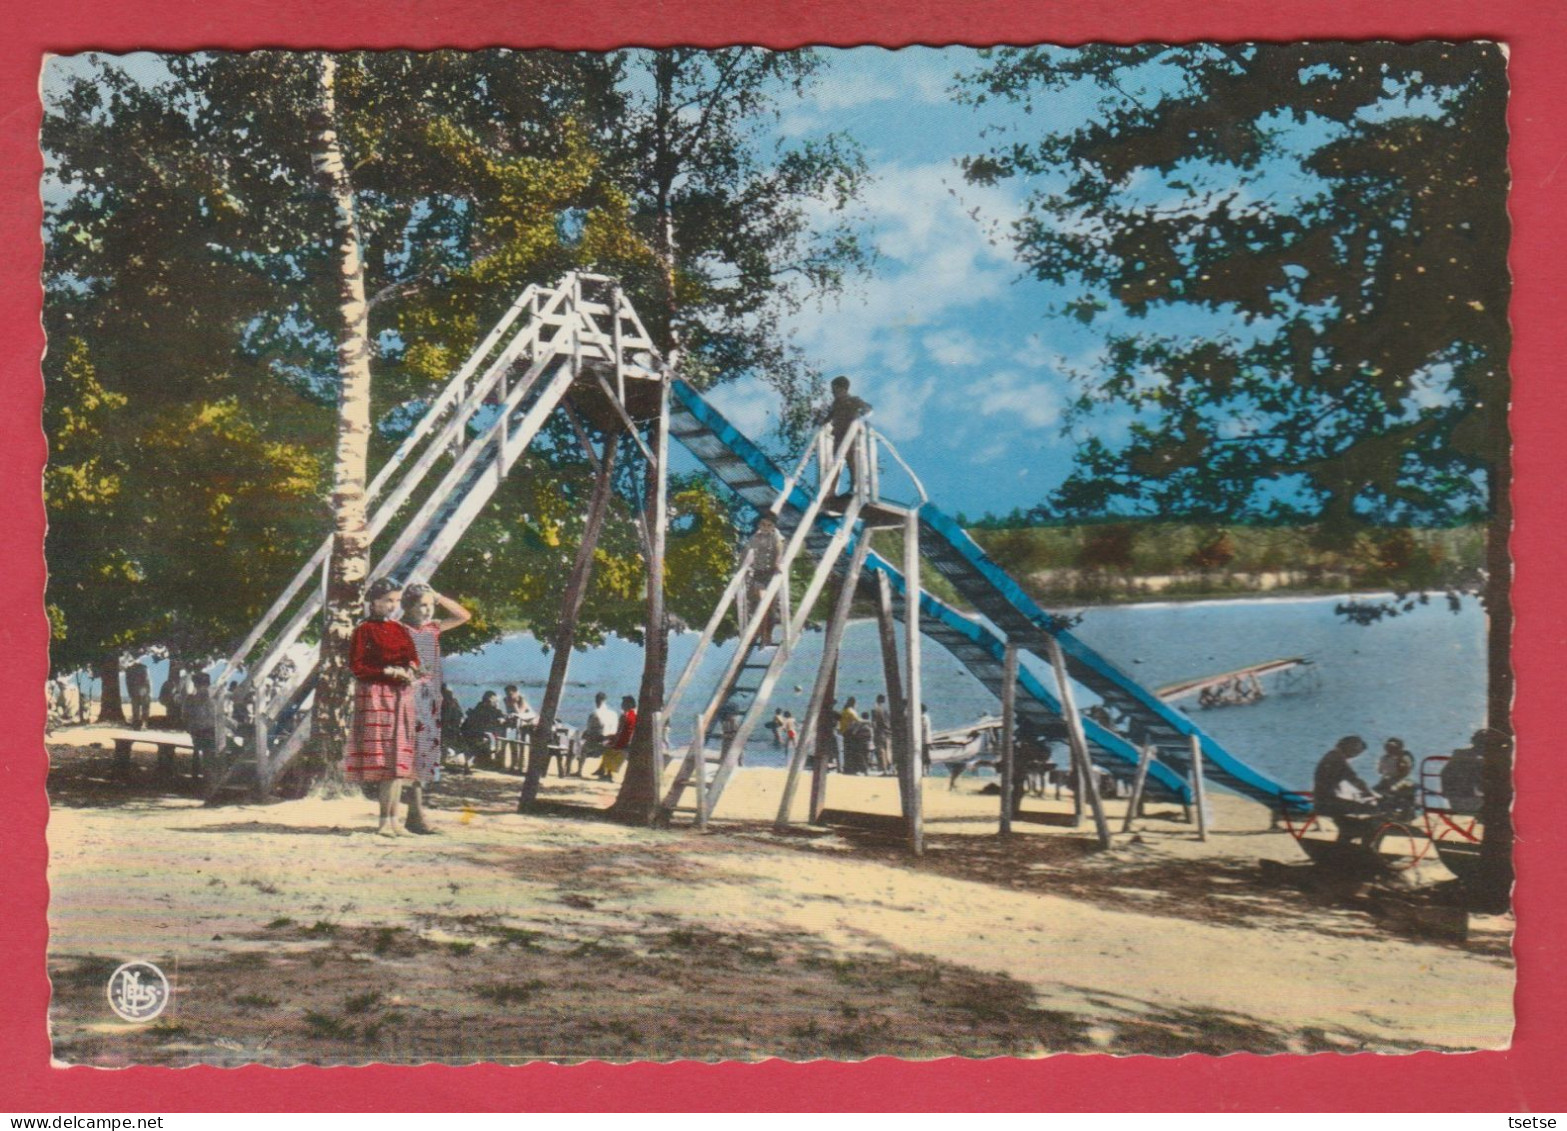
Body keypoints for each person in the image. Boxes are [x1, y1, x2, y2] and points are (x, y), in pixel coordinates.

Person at [343, 578, 421, 837]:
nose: (393, 606)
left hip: (401, 695)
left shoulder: (400, 629)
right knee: (385, 759)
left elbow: (412, 657)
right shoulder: (364, 630)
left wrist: (410, 669)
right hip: (376, 695)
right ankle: (384, 821)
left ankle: (395, 820)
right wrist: (386, 670)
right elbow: (357, 666)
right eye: (388, 600)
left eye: (397, 601)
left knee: (398, 760)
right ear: (373, 601)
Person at [398, 583, 472, 835]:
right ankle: (412, 816)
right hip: (408, 696)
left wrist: (439, 596)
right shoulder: (399, 629)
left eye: (431, 606)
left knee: (425, 756)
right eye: (422, 605)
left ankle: (415, 815)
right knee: (409, 755)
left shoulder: (433, 629)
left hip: (430, 699)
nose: (428, 611)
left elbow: (464, 616)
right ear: (408, 606)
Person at [1312, 735, 1378, 842]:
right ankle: (1364, 845)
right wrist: (1371, 794)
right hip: (1328, 803)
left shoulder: (1331, 755)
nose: (1354, 755)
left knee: (1352, 817)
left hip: (1321, 801)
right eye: (1356, 752)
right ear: (1349, 747)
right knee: (1373, 812)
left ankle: (1345, 838)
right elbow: (1354, 779)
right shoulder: (1338, 759)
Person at [820, 375, 872, 501]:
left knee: (852, 461)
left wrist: (861, 417)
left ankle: (855, 487)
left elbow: (867, 408)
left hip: (850, 435)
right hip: (838, 435)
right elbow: (830, 416)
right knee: (835, 463)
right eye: (832, 389)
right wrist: (822, 422)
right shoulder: (835, 403)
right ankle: (831, 490)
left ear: (843, 389)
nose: (833, 392)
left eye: (835, 389)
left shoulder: (853, 400)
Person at [743, 513, 786, 645]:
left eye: (769, 525)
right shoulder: (755, 538)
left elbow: (779, 549)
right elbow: (745, 552)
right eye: (763, 525)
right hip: (759, 574)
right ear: (758, 525)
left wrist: (778, 563)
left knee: (771, 607)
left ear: (773, 527)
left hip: (771, 574)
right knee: (761, 603)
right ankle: (762, 634)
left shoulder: (776, 537)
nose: (765, 527)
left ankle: (767, 635)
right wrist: (743, 568)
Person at [1440, 730, 1488, 815]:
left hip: (1454, 802)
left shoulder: (1459, 754)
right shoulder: (1479, 762)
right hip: (1474, 803)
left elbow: (1444, 774)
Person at [597, 695, 637, 781]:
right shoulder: (635, 714)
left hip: (623, 742)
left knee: (606, 747)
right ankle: (602, 771)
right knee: (607, 744)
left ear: (629, 704)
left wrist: (612, 740)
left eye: (623, 703)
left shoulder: (625, 715)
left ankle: (607, 773)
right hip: (629, 741)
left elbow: (620, 731)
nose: (621, 705)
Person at [186, 671, 216, 780]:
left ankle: (203, 775)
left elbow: (186, 716)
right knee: (209, 752)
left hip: (197, 732)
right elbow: (215, 717)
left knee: (200, 749)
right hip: (206, 732)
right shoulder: (209, 700)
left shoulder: (191, 699)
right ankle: (209, 777)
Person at [462, 691, 507, 764]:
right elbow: (493, 719)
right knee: (490, 738)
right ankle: (489, 758)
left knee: (490, 737)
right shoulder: (487, 709)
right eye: (494, 700)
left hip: (470, 733)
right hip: (478, 734)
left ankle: (482, 758)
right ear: (489, 700)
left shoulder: (479, 707)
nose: (495, 701)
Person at [580, 692, 618, 778]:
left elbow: (589, 731)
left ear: (596, 701)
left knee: (582, 747)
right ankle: (607, 771)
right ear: (605, 700)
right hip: (609, 743)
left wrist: (584, 735)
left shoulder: (594, 713)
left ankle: (579, 770)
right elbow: (614, 730)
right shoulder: (613, 714)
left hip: (596, 744)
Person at [1374, 737, 1417, 810]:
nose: (1389, 749)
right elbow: (1380, 771)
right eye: (1388, 747)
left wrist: (1394, 779)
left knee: (1395, 791)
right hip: (1387, 781)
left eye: (1393, 747)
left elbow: (1405, 772)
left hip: (1401, 781)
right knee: (1375, 791)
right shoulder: (1384, 758)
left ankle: (1403, 807)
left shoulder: (1404, 757)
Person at [439, 685, 468, 771]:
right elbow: (461, 716)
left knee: (448, 745)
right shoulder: (452, 702)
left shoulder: (447, 702)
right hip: (451, 729)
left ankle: (447, 761)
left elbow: (459, 715)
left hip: (449, 729)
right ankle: (461, 763)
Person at [125, 661, 152, 730]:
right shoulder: (144, 668)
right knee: (145, 708)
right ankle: (144, 724)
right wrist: (148, 691)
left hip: (134, 690)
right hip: (143, 690)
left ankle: (136, 725)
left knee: (135, 709)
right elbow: (147, 680)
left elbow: (128, 682)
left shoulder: (129, 669)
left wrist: (130, 692)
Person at [871, 694, 894, 774]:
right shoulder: (886, 710)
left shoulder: (875, 709)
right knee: (889, 750)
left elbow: (874, 723)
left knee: (882, 751)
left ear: (877, 699)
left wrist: (874, 733)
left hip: (879, 732)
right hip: (888, 733)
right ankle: (891, 768)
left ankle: (884, 769)